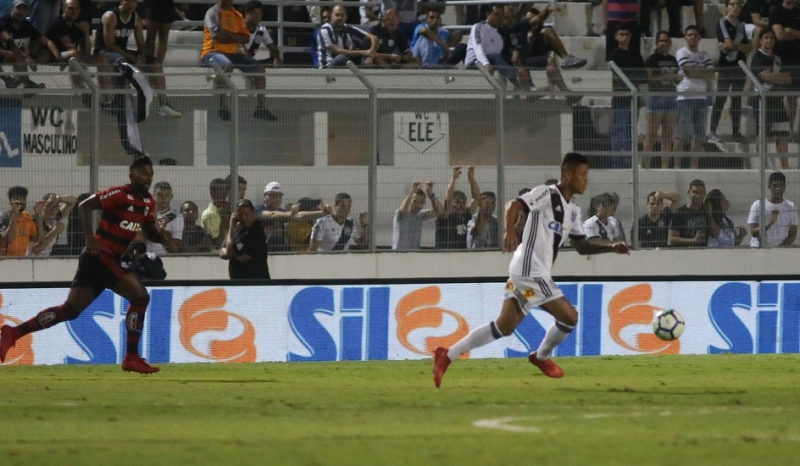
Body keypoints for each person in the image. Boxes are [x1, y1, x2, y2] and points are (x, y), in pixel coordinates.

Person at [432, 152, 630, 387]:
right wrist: (510, 230)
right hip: (529, 269)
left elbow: (582, 246)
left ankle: (447, 355)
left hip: (528, 274)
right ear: (567, 175)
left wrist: (611, 247)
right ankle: (541, 356)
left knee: (503, 327)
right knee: (570, 317)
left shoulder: (574, 212)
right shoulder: (547, 194)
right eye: (582, 174)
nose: (586, 180)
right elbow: (514, 205)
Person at [0, 156, 172, 373]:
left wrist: (164, 238)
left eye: (151, 173)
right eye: (144, 173)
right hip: (100, 255)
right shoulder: (119, 194)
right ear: (132, 175)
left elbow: (150, 232)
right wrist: (90, 238)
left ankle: (13, 333)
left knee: (69, 310)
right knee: (140, 297)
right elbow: (85, 205)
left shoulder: (148, 202)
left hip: (102, 259)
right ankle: (131, 356)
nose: (148, 177)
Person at [201, 0, 277, 121]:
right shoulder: (212, 13)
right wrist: (235, 37)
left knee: (259, 69)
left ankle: (261, 107)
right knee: (226, 65)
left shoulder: (237, 15)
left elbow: (245, 38)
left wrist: (227, 33)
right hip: (212, 52)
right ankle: (223, 107)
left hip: (233, 53)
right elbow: (217, 37)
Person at [709, 0, 751, 144]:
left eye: (737, 4)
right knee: (721, 98)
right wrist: (735, 46)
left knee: (737, 100)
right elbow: (729, 44)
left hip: (740, 67)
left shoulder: (742, 26)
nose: (735, 7)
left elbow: (749, 48)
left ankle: (736, 132)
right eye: (732, 4)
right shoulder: (723, 22)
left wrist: (734, 46)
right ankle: (713, 131)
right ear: (727, 7)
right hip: (726, 67)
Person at [751, 28, 792, 169]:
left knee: (782, 134)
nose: (769, 41)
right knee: (763, 135)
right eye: (766, 37)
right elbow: (765, 77)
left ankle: (785, 166)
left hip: (777, 100)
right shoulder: (757, 58)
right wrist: (777, 78)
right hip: (762, 101)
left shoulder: (777, 59)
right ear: (761, 40)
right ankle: (765, 166)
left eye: (771, 38)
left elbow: (788, 79)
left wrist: (774, 77)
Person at [675, 26, 715, 169]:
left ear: (699, 38)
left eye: (695, 35)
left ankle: (694, 166)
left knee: (698, 135)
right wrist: (701, 72)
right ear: (685, 37)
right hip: (685, 96)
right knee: (681, 134)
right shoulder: (681, 52)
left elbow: (711, 73)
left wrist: (697, 72)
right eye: (689, 35)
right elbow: (689, 72)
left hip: (701, 97)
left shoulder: (704, 54)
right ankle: (677, 166)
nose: (692, 37)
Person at [465, 3, 530, 89]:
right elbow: (478, 48)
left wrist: (514, 51)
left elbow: (506, 48)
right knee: (495, 56)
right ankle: (518, 81)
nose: (499, 18)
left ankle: (530, 86)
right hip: (476, 62)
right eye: (496, 14)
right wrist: (486, 64)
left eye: (501, 15)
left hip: (494, 61)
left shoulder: (501, 32)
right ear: (488, 14)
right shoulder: (479, 27)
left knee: (517, 56)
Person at [608, 22, 645, 169]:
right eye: (621, 34)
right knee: (619, 133)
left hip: (633, 99)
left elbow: (641, 76)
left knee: (630, 133)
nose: (624, 37)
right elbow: (617, 77)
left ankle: (628, 163)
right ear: (616, 36)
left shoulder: (636, 55)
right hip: (620, 99)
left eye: (627, 34)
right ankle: (617, 164)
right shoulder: (614, 55)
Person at [0, 0, 60, 89]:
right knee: (14, 53)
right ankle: (8, 80)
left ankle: (26, 84)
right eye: (19, 8)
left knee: (18, 57)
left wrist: (58, 57)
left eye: (25, 9)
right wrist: (26, 57)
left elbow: (47, 41)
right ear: (12, 8)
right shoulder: (3, 21)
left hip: (9, 53)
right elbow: (8, 40)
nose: (21, 12)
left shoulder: (26, 25)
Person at [643, 31, 680, 169]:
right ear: (657, 43)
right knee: (651, 135)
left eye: (666, 41)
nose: (664, 43)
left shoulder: (673, 59)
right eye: (661, 41)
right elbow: (647, 78)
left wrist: (675, 78)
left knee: (667, 135)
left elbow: (676, 77)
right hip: (656, 96)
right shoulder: (652, 59)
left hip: (671, 96)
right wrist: (663, 76)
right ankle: (646, 165)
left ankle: (665, 166)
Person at [141, 0, 182, 117]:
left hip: (167, 3)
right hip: (152, 3)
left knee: (164, 34)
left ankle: (156, 65)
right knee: (151, 34)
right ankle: (150, 64)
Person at [220, 199, 270, 279]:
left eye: (246, 214)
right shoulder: (237, 228)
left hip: (255, 282)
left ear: (253, 213)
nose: (243, 218)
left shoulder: (255, 231)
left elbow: (228, 252)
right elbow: (222, 250)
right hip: (239, 283)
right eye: (240, 215)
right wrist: (235, 255)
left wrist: (231, 225)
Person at [316, 4, 379, 68]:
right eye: (337, 15)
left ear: (346, 17)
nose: (340, 18)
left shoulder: (347, 28)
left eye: (342, 15)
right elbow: (337, 51)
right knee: (341, 57)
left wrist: (371, 54)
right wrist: (364, 52)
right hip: (328, 66)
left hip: (345, 63)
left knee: (367, 59)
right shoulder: (325, 30)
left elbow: (373, 38)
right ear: (331, 16)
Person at [748, 171, 797, 247]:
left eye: (781, 185)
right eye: (775, 186)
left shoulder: (791, 206)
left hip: (781, 250)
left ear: (785, 187)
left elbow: (792, 235)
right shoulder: (758, 205)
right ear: (769, 186)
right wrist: (770, 223)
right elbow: (754, 233)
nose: (778, 189)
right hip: (759, 249)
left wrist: (778, 249)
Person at [435, 166, 478, 249]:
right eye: (457, 202)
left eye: (463, 203)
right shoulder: (445, 216)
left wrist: (471, 179)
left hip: (463, 255)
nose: (460, 206)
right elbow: (447, 200)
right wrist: (454, 179)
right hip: (445, 255)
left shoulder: (466, 215)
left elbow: (476, 198)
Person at [392, 180, 442, 250]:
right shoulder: (401, 214)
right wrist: (412, 191)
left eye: (421, 202)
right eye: (415, 201)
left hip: (415, 254)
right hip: (400, 254)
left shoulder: (420, 215)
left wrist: (431, 195)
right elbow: (402, 209)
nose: (417, 205)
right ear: (410, 201)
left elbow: (439, 212)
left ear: (424, 203)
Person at [0, 185, 42, 256]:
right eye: (17, 198)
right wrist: (14, 215)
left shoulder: (28, 218)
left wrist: (39, 216)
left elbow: (37, 240)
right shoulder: (4, 217)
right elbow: (8, 240)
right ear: (10, 201)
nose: (21, 201)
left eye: (23, 198)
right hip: (5, 260)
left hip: (21, 260)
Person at [668, 179, 709, 247]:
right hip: (686, 252)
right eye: (695, 192)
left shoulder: (707, 210)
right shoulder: (680, 213)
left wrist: (710, 213)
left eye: (701, 192)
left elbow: (714, 233)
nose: (698, 195)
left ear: (705, 193)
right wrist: (693, 240)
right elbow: (672, 239)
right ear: (688, 192)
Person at [147, 181, 183, 255]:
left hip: (165, 257)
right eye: (159, 195)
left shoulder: (176, 216)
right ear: (153, 196)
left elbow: (176, 247)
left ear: (171, 197)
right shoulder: (145, 213)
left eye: (167, 195)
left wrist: (162, 232)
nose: (164, 198)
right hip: (145, 256)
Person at [242, 0, 281, 67]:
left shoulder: (261, 28)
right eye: (254, 13)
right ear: (246, 13)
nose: (257, 16)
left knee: (276, 61)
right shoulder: (239, 26)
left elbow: (273, 48)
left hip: (251, 61)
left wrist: (276, 59)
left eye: (260, 13)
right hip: (237, 59)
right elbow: (241, 49)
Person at [201, 178, 229, 251]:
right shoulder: (209, 214)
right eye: (220, 189)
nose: (224, 193)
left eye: (225, 190)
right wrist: (225, 218)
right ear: (212, 192)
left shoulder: (228, 209)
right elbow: (218, 243)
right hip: (217, 254)